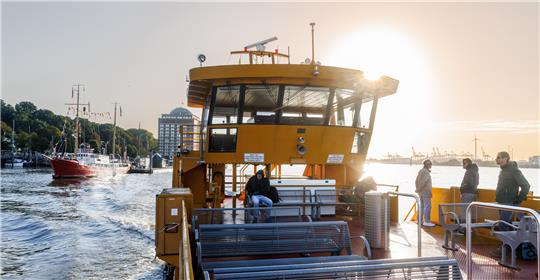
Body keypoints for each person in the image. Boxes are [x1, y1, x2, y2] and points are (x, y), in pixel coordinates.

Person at [495, 151, 530, 230]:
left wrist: (518, 200)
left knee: (503, 225)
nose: (496, 159)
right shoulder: (503, 170)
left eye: (498, 157)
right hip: (501, 202)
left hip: (508, 202)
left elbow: (526, 185)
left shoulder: (514, 170)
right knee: (507, 224)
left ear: (505, 158)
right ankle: (509, 242)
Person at [415, 159, 435, 227]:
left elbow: (416, 181)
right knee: (427, 206)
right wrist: (419, 189)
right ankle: (427, 221)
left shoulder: (421, 171)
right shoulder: (425, 172)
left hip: (421, 192)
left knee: (421, 206)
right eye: (430, 164)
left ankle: (419, 220)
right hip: (425, 192)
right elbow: (423, 182)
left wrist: (418, 189)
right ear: (427, 165)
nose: (431, 165)